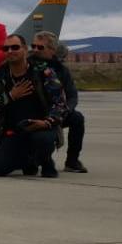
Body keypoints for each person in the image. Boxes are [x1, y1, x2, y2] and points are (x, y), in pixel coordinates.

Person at [0, 34, 67, 178]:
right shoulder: (1, 74)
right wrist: (10, 96)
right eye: (6, 49)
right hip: (14, 130)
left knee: (42, 140)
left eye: (15, 47)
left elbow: (60, 104)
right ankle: (30, 160)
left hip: (41, 127)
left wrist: (46, 122)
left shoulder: (43, 71)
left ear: (24, 49)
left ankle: (45, 160)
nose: (10, 51)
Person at [34, 32, 87, 173]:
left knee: (77, 118)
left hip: (57, 112)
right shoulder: (28, 65)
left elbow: (72, 96)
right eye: (34, 46)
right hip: (34, 112)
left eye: (40, 47)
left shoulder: (62, 71)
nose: (35, 50)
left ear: (52, 50)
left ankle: (72, 161)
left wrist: (64, 111)